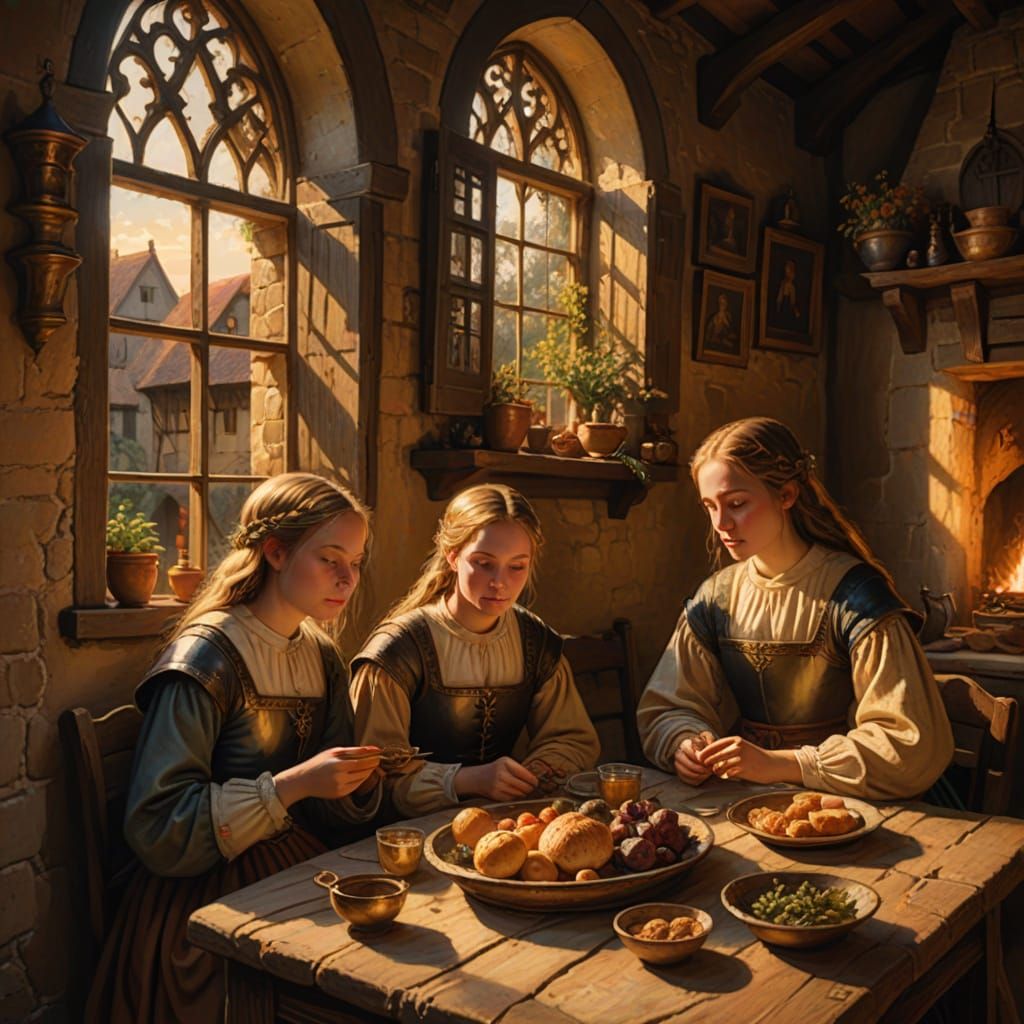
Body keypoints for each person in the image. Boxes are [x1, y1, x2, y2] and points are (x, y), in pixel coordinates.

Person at [87, 473, 382, 1024]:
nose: (348, 578)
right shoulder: (207, 658)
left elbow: (330, 802)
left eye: (357, 562)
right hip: (202, 903)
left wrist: (358, 778)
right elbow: (157, 826)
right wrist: (295, 785)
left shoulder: (320, 655)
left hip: (293, 868)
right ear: (275, 552)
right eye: (330, 559)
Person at [637, 418, 953, 800]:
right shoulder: (715, 597)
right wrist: (685, 743)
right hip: (747, 799)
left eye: (736, 504)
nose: (721, 524)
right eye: (710, 507)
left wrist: (782, 765)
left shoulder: (854, 597)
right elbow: (666, 706)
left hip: (850, 804)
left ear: (786, 495)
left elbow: (906, 744)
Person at [350, 484, 599, 817]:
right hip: (407, 833)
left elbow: (572, 738)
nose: (500, 582)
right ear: (453, 556)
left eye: (517, 566)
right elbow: (374, 780)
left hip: (503, 820)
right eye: (484, 563)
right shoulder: (398, 652)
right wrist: (465, 780)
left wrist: (537, 771)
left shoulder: (535, 642)